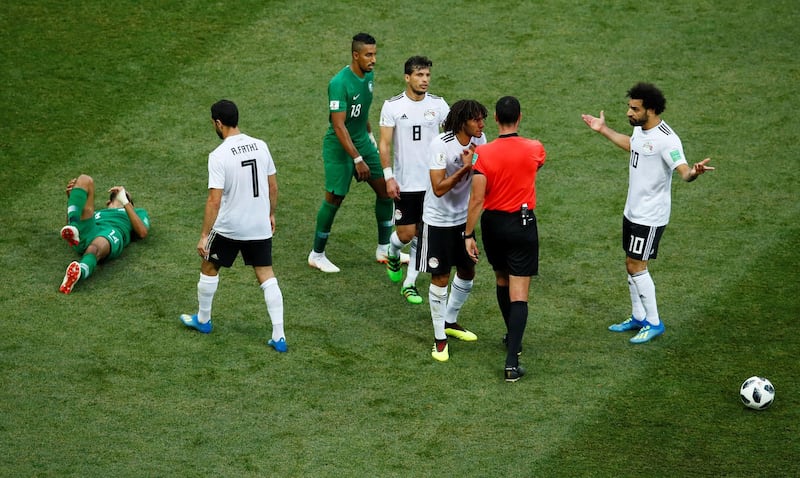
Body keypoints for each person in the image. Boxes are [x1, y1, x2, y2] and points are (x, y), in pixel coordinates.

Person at [581, 82, 714, 344]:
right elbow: (633, 145)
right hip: (632, 210)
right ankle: (638, 316)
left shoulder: (667, 139)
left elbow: (683, 171)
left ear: (651, 110)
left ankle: (654, 322)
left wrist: (694, 173)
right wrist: (603, 129)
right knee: (630, 263)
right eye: (629, 107)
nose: (629, 113)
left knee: (636, 265)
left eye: (634, 109)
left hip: (650, 217)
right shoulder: (641, 130)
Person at [179, 99, 287, 353]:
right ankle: (279, 335)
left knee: (209, 265)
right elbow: (273, 187)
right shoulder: (261, 146)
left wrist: (205, 235)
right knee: (266, 275)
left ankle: (203, 320)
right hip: (258, 225)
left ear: (218, 123)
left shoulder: (218, 155)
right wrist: (270, 214)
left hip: (230, 227)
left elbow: (214, 199)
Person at [465, 96, 546, 383]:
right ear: (519, 117)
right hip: (522, 224)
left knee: (501, 280)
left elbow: (476, 199)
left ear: (496, 119)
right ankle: (512, 361)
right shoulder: (535, 148)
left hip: (493, 224)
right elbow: (535, 167)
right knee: (519, 292)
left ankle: (513, 336)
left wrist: (468, 234)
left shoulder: (482, 154)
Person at [308, 32, 403, 273]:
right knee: (335, 198)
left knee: (385, 190)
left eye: (375, 54)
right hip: (340, 147)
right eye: (368, 55)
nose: (373, 59)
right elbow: (339, 125)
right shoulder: (339, 83)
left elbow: (360, 114)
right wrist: (357, 159)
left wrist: (369, 139)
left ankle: (384, 248)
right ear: (355, 55)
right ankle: (317, 254)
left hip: (361, 140)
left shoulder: (368, 76)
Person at [419, 99, 488, 362]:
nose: (482, 124)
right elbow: (438, 187)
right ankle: (439, 339)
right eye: (477, 120)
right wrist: (465, 168)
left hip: (463, 220)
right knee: (440, 278)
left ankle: (450, 320)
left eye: (483, 119)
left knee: (468, 270)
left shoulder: (481, 141)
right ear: (462, 123)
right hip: (438, 222)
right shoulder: (441, 144)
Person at [379, 55, 450, 305]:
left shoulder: (439, 105)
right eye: (420, 75)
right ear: (407, 77)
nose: (425, 80)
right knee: (406, 234)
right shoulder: (393, 106)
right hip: (406, 183)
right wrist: (388, 177)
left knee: (423, 232)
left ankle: (409, 284)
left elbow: (450, 136)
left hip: (433, 183)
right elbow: (385, 144)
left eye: (428, 75)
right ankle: (393, 251)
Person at [59, 175, 150, 294]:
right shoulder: (97, 213)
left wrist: (125, 202)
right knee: (84, 180)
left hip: (112, 231)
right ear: (108, 203)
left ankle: (79, 272)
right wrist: (74, 201)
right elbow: (68, 230)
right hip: (91, 228)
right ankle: (75, 226)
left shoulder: (138, 212)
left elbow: (142, 232)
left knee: (94, 247)